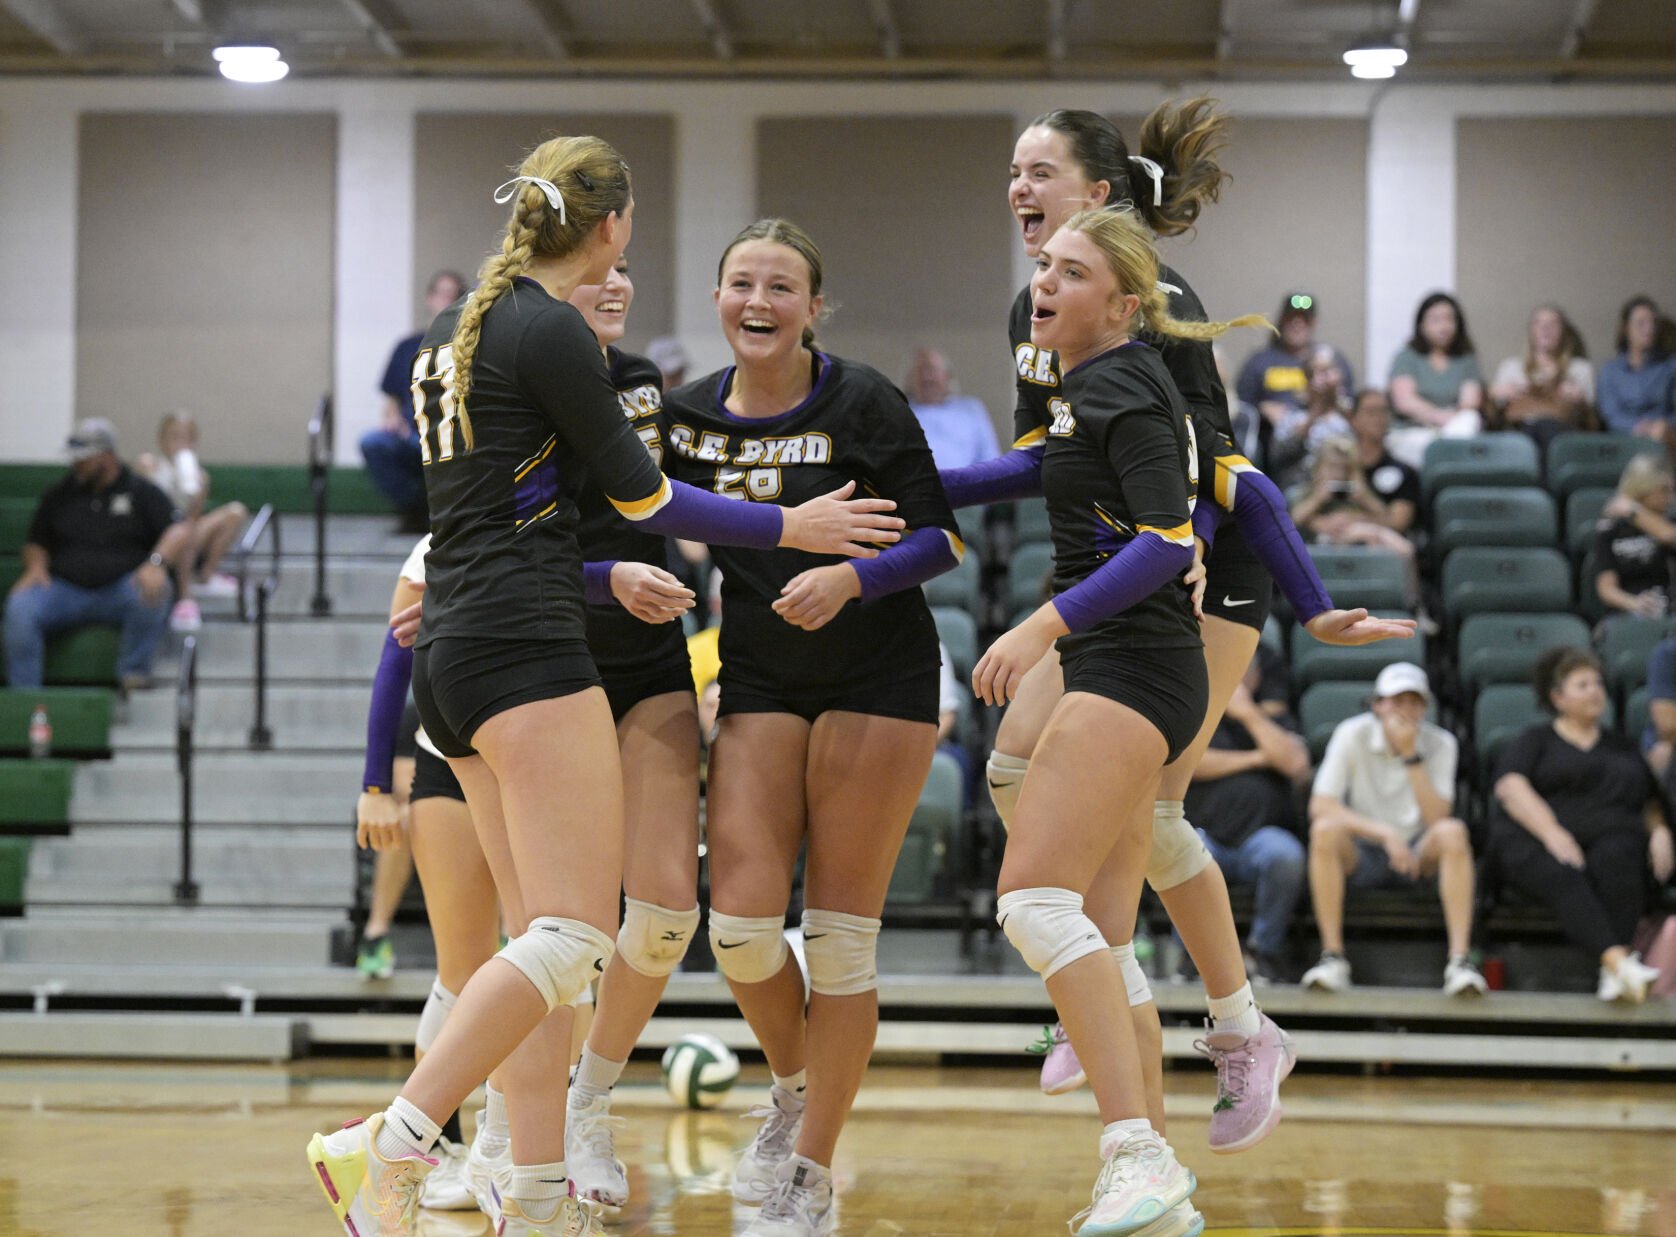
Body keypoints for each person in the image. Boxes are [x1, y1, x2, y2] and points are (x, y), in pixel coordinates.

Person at [305, 136, 905, 1237]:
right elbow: (642, 501)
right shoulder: (549, 334)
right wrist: (793, 523)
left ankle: (534, 1193)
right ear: (611, 227)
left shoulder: (453, 331)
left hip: (457, 653)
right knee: (574, 937)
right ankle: (389, 1138)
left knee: (541, 943)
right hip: (531, 646)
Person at [943, 103, 1411, 1169]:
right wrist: (912, 483)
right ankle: (1128, 989)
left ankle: (1235, 1025)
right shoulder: (1038, 305)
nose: (1018, 187)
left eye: (1040, 170)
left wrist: (1280, 586)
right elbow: (1045, 458)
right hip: (1117, 569)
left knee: (1144, 814)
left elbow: (1219, 470)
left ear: (1100, 198)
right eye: (1010, 169)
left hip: (1202, 565)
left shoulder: (1154, 298)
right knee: (1016, 768)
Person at [965, 203, 1271, 1236]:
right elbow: (1030, 471)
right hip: (1117, 659)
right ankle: (1149, 1177)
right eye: (1042, 266)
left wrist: (1034, 628)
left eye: (1069, 270)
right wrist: (912, 482)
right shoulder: (1078, 384)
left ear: (1125, 304)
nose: (1041, 281)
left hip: (1136, 662)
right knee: (1083, 923)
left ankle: (1144, 1146)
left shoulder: (1125, 379)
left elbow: (1163, 538)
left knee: (1035, 904)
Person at [662, 218, 961, 1237]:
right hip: (754, 672)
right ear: (715, 298)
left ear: (811, 308)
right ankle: (795, 1087)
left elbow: (938, 537)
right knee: (739, 927)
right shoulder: (682, 416)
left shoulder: (864, 398)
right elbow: (628, 510)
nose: (759, 301)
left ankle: (811, 1172)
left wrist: (849, 577)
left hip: (876, 671)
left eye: (780, 286)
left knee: (837, 941)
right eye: (741, 282)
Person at [555, 254, 714, 1212]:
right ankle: (510, 1127)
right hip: (552, 658)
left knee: (662, 918)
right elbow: (504, 541)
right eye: (593, 275)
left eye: (625, 270)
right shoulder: (518, 383)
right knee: (561, 925)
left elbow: (680, 495)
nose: (617, 285)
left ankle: (587, 1101)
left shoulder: (643, 383)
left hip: (654, 656)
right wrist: (601, 580)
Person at [1491, 648, 1671, 1003]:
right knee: (1564, 870)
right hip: (1539, 841)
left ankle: (1614, 972)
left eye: (1598, 684)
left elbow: (1648, 798)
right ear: (1558, 698)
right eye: (1582, 684)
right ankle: (1620, 962)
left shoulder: (1622, 745)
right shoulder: (1535, 740)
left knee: (1620, 854)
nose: (1595, 691)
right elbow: (1510, 787)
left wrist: (1661, 829)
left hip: (1610, 839)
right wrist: (1552, 833)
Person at [1301, 663, 1487, 998]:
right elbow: (1321, 805)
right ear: (1378, 705)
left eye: (1414, 701)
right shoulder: (1351, 733)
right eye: (1396, 701)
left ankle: (1460, 961)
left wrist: (1410, 754)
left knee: (1453, 832)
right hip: (1364, 851)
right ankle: (1333, 957)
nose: (1406, 710)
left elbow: (1437, 818)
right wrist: (1386, 835)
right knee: (1324, 831)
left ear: (1425, 708)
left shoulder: (1441, 743)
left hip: (1420, 853)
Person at [4, 418, 188, 692]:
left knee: (155, 590)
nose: (76, 464)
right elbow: (36, 542)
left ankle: (133, 675)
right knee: (20, 607)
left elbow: (178, 530)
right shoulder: (59, 495)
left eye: (84, 458)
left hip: (120, 588)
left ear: (107, 456)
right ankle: (24, 696)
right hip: (64, 589)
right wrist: (35, 566)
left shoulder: (141, 491)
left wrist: (156, 563)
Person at [1182, 650, 1310, 983]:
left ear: (1253, 680)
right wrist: (1256, 759)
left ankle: (1262, 952)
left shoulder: (1274, 722)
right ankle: (1194, 955)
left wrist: (1249, 714)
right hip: (1206, 833)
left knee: (1286, 856)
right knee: (1183, 851)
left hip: (1260, 839)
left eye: (1241, 675)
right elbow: (1188, 764)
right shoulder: (1198, 718)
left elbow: (1295, 763)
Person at [361, 269, 469, 531]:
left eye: (452, 295)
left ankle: (445, 514)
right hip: (411, 433)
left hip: (454, 434)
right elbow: (392, 397)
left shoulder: (469, 346)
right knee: (372, 442)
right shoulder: (407, 346)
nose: (445, 300)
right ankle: (416, 508)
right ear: (429, 299)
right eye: (441, 294)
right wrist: (392, 418)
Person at [135, 411, 248, 632]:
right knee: (182, 530)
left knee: (234, 512)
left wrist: (197, 491)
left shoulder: (198, 475)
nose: (180, 443)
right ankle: (184, 598)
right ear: (162, 439)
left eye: (187, 438)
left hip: (185, 532)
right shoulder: (149, 466)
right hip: (158, 536)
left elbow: (192, 518)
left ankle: (206, 575)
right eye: (174, 437)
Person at [1287, 438, 1420, 607]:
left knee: (1389, 544)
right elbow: (1292, 522)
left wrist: (1363, 499)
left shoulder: (1358, 494)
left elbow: (1384, 517)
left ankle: (1411, 603)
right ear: (1319, 467)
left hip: (1361, 549)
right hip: (1320, 552)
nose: (1339, 473)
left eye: (1345, 468)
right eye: (1333, 467)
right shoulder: (1303, 493)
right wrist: (1319, 499)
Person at [1235, 292, 1355, 468]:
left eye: (1304, 319)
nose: (1297, 323)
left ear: (1313, 322)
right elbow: (1241, 406)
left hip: (1326, 430)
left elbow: (1350, 402)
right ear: (1282, 320)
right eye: (1292, 318)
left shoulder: (1330, 359)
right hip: (1277, 436)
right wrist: (1261, 408)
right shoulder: (1260, 361)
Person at [1384, 292, 1484, 465]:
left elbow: (1470, 403)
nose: (1443, 326)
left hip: (1455, 430)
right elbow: (1404, 402)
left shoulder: (1466, 360)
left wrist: (1450, 423)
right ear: (1422, 325)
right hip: (1413, 432)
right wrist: (1440, 417)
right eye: (1436, 320)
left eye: (1449, 319)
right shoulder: (1406, 357)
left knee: (1470, 419)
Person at [1488, 304, 1595, 450]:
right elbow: (1493, 415)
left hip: (1561, 433)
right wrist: (1495, 394)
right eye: (1538, 323)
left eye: (1553, 323)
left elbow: (1592, 421)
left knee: (1546, 429)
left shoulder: (1580, 369)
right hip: (1520, 432)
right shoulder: (1511, 367)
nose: (1545, 328)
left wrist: (1580, 400)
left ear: (1563, 331)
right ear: (1531, 330)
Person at [1594, 453, 1676, 620]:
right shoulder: (1611, 529)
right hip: (1628, 611)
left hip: (1669, 609)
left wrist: (1633, 510)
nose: (1670, 497)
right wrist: (1636, 604)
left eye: (1671, 490)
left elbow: (1669, 536)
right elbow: (1606, 588)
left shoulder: (1669, 523)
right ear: (1642, 489)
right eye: (1663, 490)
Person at [1266, 345, 1351, 491]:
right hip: (1300, 489)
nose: (1318, 380)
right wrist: (1311, 418)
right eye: (1311, 374)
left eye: (1325, 371)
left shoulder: (1349, 417)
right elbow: (1277, 457)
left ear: (1338, 375)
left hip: (1342, 490)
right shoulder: (1292, 416)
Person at [903, 346, 1001, 470]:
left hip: (967, 486)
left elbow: (990, 461)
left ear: (947, 376)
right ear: (909, 379)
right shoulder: (897, 414)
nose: (927, 377)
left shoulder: (971, 410)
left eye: (932, 370)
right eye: (920, 370)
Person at [1598, 296, 1676, 442]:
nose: (1649, 329)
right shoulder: (1611, 370)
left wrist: (1663, 426)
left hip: (1663, 436)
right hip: (1624, 438)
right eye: (1641, 323)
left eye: (1653, 323)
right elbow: (1610, 414)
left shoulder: (1670, 366)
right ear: (1626, 329)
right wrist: (1637, 427)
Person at [1346, 388, 1420, 538]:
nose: (1378, 418)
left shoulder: (1403, 472)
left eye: (1383, 411)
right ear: (1353, 419)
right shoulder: (1339, 467)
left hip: (1384, 546)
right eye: (1371, 412)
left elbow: (1398, 522)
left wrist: (1355, 519)